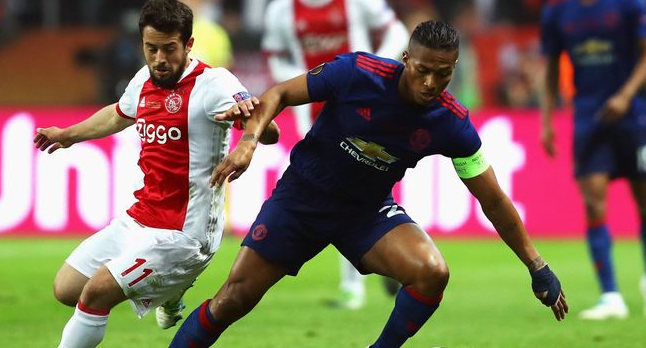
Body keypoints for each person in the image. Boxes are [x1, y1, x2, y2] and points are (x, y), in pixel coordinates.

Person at [170, 20, 568, 348]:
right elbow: (278, 94)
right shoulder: (357, 72)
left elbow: (494, 200)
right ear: (406, 59)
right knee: (231, 301)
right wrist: (248, 144)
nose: (431, 83)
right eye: (423, 70)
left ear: (455, 67)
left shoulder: (452, 123)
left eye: (443, 74)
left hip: (365, 212)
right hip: (302, 199)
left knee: (432, 271)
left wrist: (537, 264)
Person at [33, 0, 279, 348]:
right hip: (140, 218)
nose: (160, 60)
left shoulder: (215, 84)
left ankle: (172, 281)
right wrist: (68, 135)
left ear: (189, 44)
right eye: (151, 49)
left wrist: (250, 137)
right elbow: (119, 114)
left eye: (169, 49)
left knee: (97, 292)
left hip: (185, 234)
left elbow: (268, 128)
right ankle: (170, 291)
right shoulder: (144, 79)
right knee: (66, 289)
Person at [262, 0, 409, 309]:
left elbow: (396, 31)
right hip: (315, 112)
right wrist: (303, 82)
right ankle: (378, 271)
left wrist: (377, 69)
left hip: (364, 107)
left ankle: (364, 280)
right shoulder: (281, 9)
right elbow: (275, 57)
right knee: (344, 190)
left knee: (355, 187)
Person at [539, 0, 646, 320]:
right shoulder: (557, 11)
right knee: (594, 204)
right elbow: (549, 71)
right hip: (588, 118)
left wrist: (627, 94)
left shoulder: (627, 1)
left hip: (630, 116)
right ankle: (611, 295)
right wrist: (547, 121)